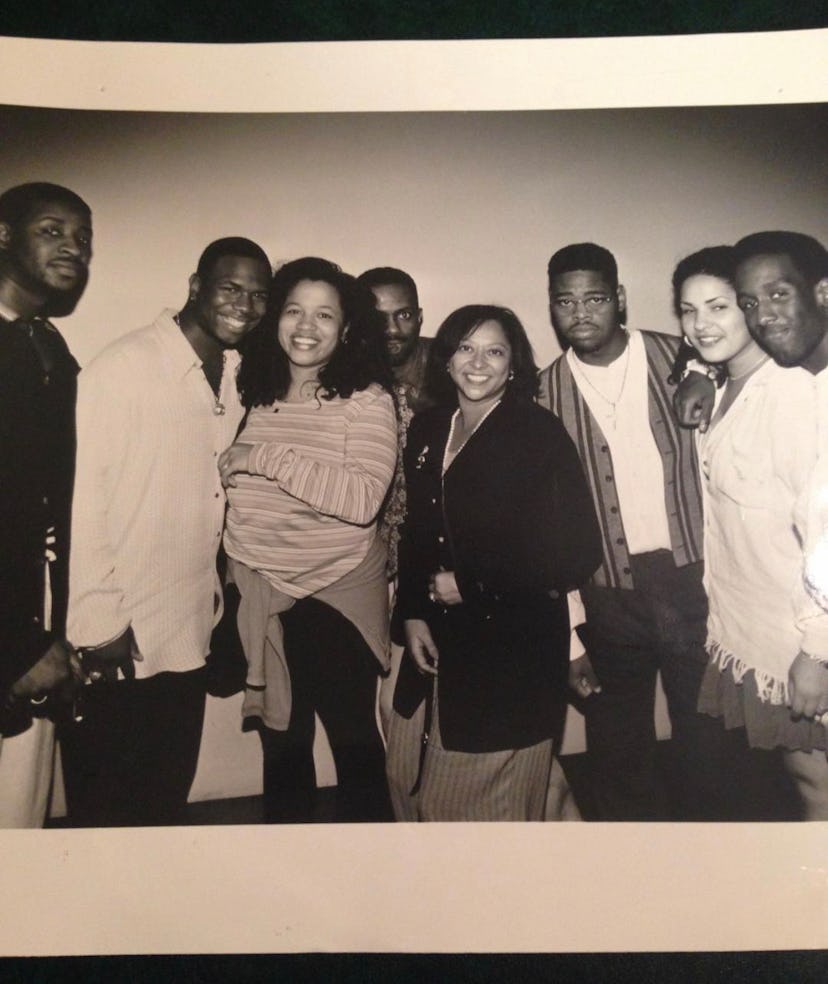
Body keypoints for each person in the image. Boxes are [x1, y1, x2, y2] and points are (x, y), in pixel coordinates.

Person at [62, 237, 272, 826]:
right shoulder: (123, 368)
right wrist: (99, 623)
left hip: (186, 630)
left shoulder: (232, 375)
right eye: (231, 288)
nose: (246, 305)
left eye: (259, 295)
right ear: (195, 286)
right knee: (105, 816)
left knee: (161, 804)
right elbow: (81, 503)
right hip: (120, 635)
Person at [386, 304, 602, 821]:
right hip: (438, 643)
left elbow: (577, 548)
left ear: (513, 365)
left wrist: (475, 583)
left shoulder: (537, 433)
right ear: (446, 359)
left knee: (476, 804)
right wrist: (414, 608)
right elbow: (418, 529)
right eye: (465, 348)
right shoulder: (430, 428)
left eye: (494, 351)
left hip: (511, 652)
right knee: (408, 777)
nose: (477, 363)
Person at [538, 242, 728, 821]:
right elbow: (545, 531)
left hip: (695, 582)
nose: (581, 312)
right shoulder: (540, 397)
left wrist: (705, 371)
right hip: (605, 597)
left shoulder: (686, 356)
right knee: (619, 754)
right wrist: (571, 638)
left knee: (710, 745)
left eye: (594, 297)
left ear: (618, 298)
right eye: (565, 301)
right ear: (551, 307)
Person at [219, 256, 398, 823]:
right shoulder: (249, 387)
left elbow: (361, 500)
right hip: (260, 591)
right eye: (294, 309)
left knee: (353, 745)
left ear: (346, 329)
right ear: (275, 316)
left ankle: (375, 881)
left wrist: (263, 457)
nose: (306, 326)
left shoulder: (367, 399)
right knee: (283, 747)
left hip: (335, 592)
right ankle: (289, 886)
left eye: (325, 315)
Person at [675, 242, 828, 819]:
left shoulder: (794, 392)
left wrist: (818, 648)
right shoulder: (716, 385)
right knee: (796, 775)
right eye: (689, 311)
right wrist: (698, 368)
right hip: (751, 625)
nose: (701, 324)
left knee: (817, 782)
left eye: (721, 307)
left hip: (801, 628)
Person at [0, 182, 91, 827]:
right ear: (3, 236)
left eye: (83, 238)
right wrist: (16, 646)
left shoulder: (47, 347)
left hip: (39, 637)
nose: (73, 248)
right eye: (51, 230)